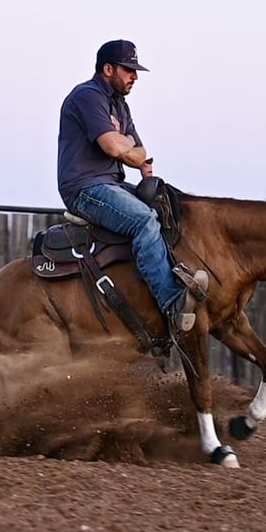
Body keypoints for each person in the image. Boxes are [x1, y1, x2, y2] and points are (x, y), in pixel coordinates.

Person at [57, 39, 207, 333]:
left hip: (110, 184)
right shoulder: (87, 97)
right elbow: (115, 148)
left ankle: (168, 277)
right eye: (129, 70)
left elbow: (140, 154)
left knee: (167, 209)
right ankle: (171, 302)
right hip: (85, 189)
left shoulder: (119, 105)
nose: (134, 77)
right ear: (108, 69)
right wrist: (123, 145)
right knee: (143, 221)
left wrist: (125, 146)